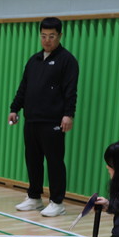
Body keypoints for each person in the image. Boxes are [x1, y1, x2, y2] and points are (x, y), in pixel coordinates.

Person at [9, 17, 79, 217]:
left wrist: (68, 115)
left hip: (53, 121)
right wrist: (15, 108)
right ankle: (34, 197)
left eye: (51, 36)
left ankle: (57, 202)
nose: (47, 40)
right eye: (43, 36)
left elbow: (71, 91)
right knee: (33, 160)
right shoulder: (34, 60)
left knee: (55, 162)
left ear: (60, 36)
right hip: (32, 120)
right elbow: (24, 87)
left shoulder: (67, 60)